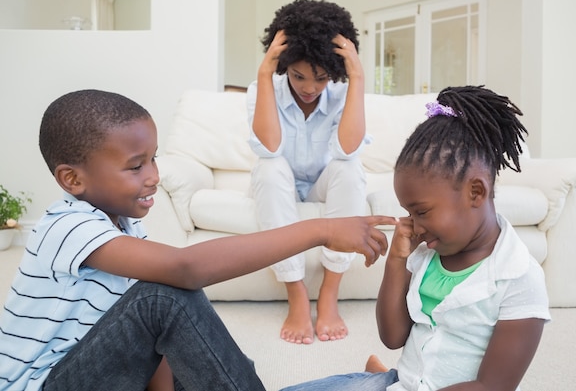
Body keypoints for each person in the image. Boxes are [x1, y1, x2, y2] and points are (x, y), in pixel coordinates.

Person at [0, 89, 396, 391]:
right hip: (45, 384)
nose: (153, 175)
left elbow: (155, 337)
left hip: (105, 375)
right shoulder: (65, 225)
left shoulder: (123, 226)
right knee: (167, 294)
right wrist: (321, 230)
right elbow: (184, 271)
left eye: (154, 159)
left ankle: (380, 384)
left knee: (226, 369)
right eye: (136, 166)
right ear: (73, 179)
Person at [279, 85, 552, 391]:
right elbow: (393, 337)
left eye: (421, 212)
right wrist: (397, 261)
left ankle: (378, 376)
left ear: (475, 192)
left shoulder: (520, 279)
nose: (413, 226)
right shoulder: (426, 256)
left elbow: (493, 387)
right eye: (409, 212)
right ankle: (381, 376)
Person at [246, 0, 368, 345]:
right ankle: (297, 295)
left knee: (349, 168)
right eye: (298, 75)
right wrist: (264, 73)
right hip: (278, 184)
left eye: (321, 78)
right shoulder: (263, 89)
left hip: (321, 185)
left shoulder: (344, 90)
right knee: (269, 168)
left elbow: (347, 150)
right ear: (284, 64)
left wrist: (356, 76)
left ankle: (329, 293)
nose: (310, 87)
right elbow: (269, 149)